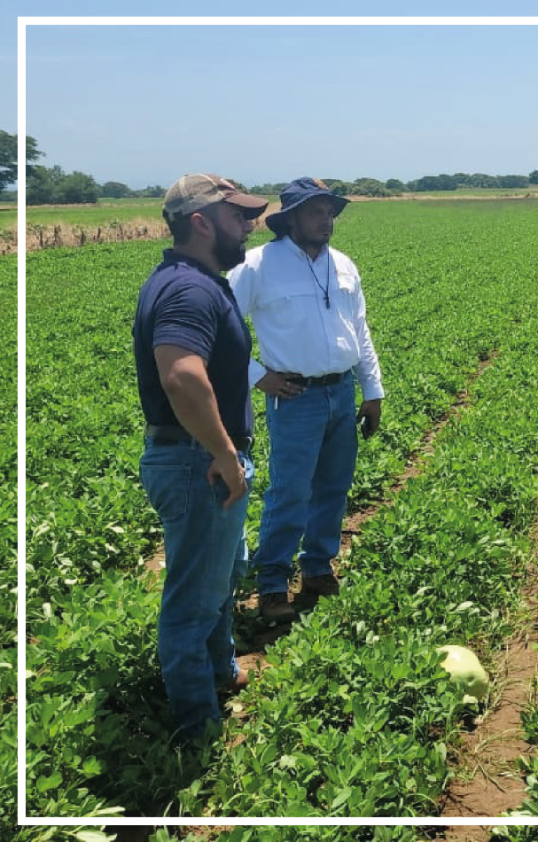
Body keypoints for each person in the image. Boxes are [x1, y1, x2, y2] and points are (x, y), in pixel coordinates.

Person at [132, 174, 268, 741]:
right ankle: (197, 726)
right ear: (200, 222)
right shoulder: (189, 289)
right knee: (191, 600)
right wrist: (224, 451)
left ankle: (221, 672)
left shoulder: (195, 280)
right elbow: (183, 376)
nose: (249, 224)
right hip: (198, 462)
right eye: (237, 216)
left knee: (217, 578)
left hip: (200, 458)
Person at [228, 177, 384, 622]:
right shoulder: (257, 265)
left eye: (331, 212)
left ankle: (317, 566)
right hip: (294, 396)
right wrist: (258, 377)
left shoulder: (344, 266)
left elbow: (360, 331)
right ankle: (273, 580)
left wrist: (372, 391)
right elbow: (223, 328)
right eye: (317, 211)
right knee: (290, 491)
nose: (327, 220)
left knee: (334, 486)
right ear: (291, 217)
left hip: (341, 391)